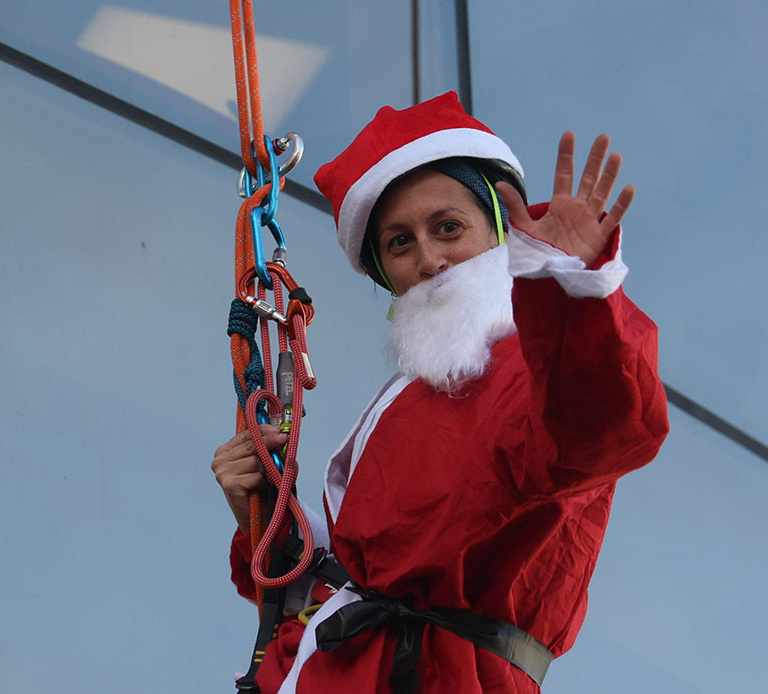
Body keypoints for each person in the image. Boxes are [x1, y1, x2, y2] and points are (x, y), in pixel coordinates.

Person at [211, 92, 669, 693]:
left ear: (500, 230)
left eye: (448, 227)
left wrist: (574, 286)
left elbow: (606, 425)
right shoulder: (416, 390)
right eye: (400, 243)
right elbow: (347, 584)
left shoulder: (537, 368)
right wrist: (265, 513)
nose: (429, 259)